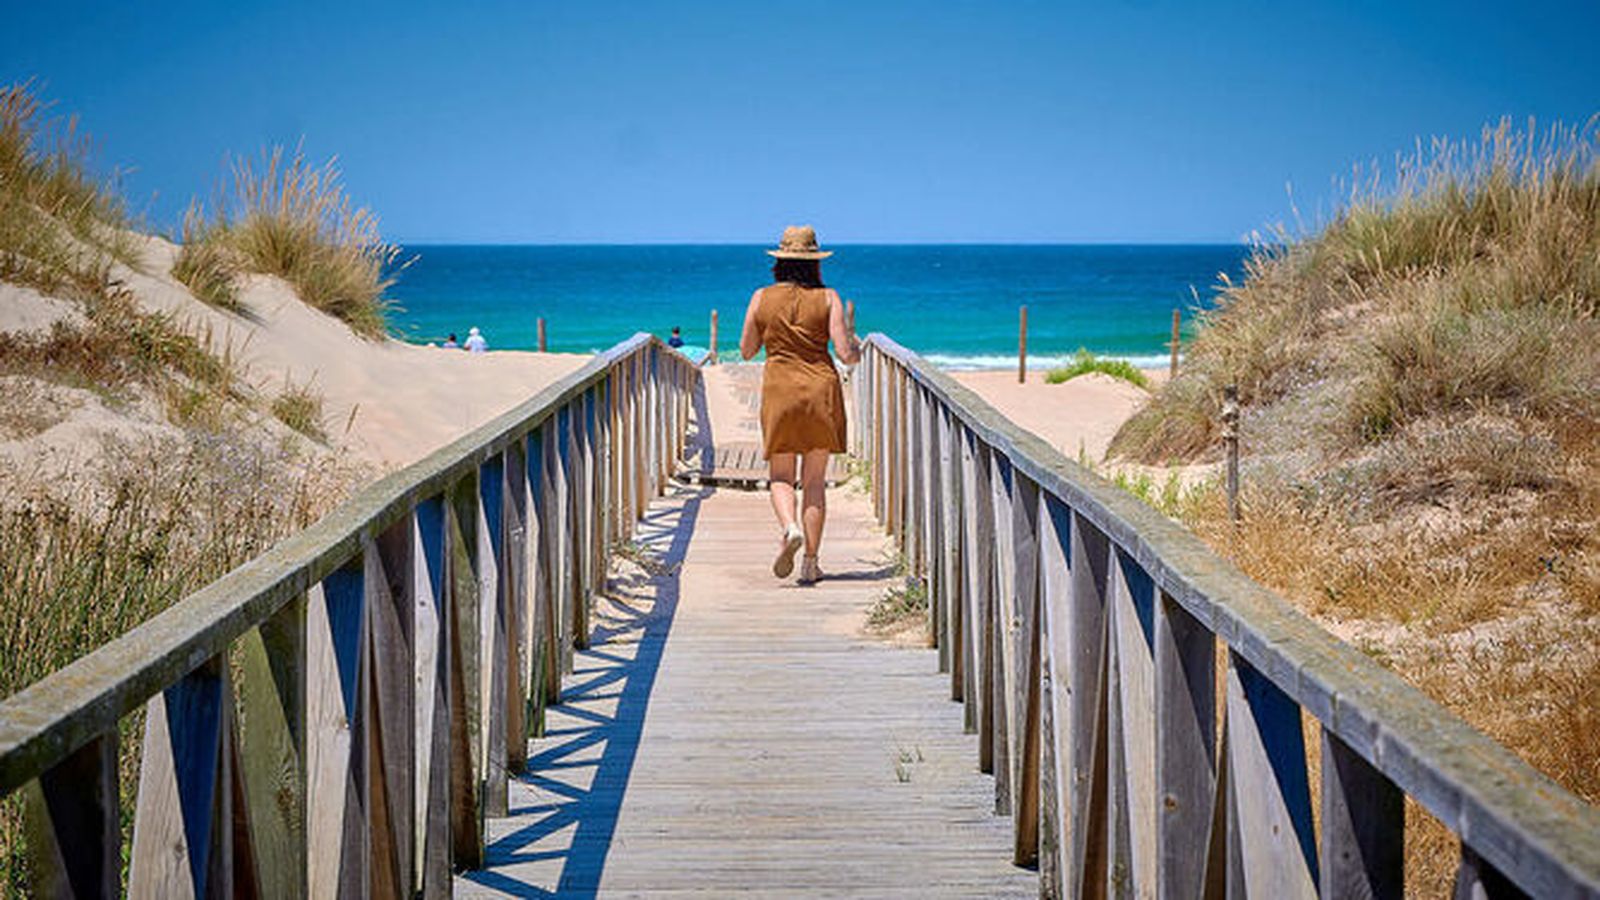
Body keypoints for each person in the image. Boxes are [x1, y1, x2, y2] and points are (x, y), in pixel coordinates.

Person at [740, 224, 859, 585]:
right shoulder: (829, 298)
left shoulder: (760, 297)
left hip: (780, 391)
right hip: (820, 392)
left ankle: (790, 527)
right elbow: (845, 353)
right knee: (815, 482)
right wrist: (857, 348)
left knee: (780, 476)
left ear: (779, 261)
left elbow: (746, 350)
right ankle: (810, 562)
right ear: (815, 263)